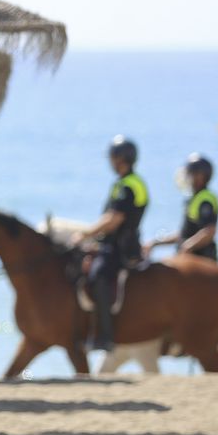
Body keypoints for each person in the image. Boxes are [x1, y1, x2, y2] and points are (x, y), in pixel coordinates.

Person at [70, 136, 149, 351]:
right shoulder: (123, 183)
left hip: (121, 248)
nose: (111, 162)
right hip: (112, 244)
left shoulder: (129, 185)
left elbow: (114, 219)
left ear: (121, 159)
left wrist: (85, 234)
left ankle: (105, 336)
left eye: (113, 158)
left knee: (99, 275)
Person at [145, 153, 218, 262]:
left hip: (201, 260)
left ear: (200, 176)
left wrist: (187, 247)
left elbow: (209, 231)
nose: (187, 177)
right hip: (188, 258)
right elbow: (185, 234)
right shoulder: (194, 198)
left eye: (190, 173)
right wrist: (155, 243)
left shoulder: (206, 199)